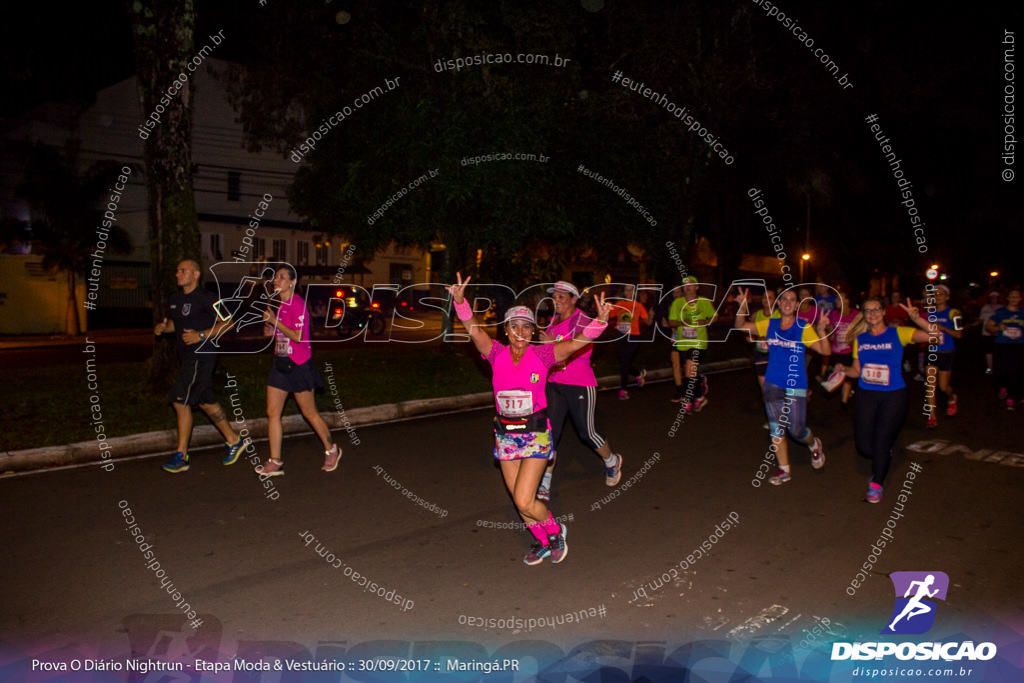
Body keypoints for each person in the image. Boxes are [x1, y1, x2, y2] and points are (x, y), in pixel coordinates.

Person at [448, 272, 613, 565]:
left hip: (535, 434)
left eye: (527, 327)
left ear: (532, 330)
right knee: (518, 502)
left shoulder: (543, 355)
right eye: (515, 327)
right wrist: (461, 303)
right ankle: (543, 540)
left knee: (526, 500)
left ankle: (555, 531)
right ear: (507, 330)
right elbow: (474, 331)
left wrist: (599, 322)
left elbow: (576, 344)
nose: (521, 332)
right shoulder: (495, 353)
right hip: (505, 435)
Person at [156, 259, 250, 473]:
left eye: (183, 270)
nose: (178, 274)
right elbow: (176, 325)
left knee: (179, 400)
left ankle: (181, 456)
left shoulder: (207, 297)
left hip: (202, 355)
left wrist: (202, 335)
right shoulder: (176, 299)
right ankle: (234, 440)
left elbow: (229, 321)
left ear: (196, 274)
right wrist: (164, 328)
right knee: (206, 402)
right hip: (187, 357)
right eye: (177, 270)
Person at [835, 297, 933, 502]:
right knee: (863, 446)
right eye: (868, 311)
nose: (872, 314)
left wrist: (917, 319)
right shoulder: (860, 339)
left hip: (893, 395)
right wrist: (843, 369)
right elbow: (856, 371)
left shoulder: (898, 333)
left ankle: (876, 484)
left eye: (876, 310)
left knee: (880, 441)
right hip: (866, 395)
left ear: (883, 312)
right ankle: (883, 455)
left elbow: (936, 336)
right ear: (864, 315)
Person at [537, 281, 623, 502]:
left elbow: (575, 345)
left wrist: (551, 342)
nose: (556, 301)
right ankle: (546, 480)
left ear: (574, 299)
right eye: (554, 297)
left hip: (579, 384)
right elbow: (549, 352)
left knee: (587, 433)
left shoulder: (581, 320)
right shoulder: (554, 321)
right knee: (550, 434)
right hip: (555, 383)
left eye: (561, 297)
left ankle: (612, 461)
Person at [735, 286, 830, 485]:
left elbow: (824, 351)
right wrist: (742, 306)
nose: (787, 302)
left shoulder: (803, 327)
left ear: (796, 305)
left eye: (791, 300)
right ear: (778, 303)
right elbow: (741, 325)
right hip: (773, 382)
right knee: (776, 427)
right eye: (783, 299)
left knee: (797, 430)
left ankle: (813, 443)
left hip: (796, 383)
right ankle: (784, 469)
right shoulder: (769, 324)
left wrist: (821, 331)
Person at [253, 265, 341, 475]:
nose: (277, 280)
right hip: (280, 365)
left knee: (309, 413)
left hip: (300, 365)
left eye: (282, 277)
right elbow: (282, 335)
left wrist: (275, 322)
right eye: (276, 277)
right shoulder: (280, 305)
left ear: (292, 282)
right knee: (272, 412)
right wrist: (271, 329)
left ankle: (331, 449)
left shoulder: (297, 304)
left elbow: (298, 336)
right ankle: (275, 461)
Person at [663, 276, 716, 411]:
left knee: (689, 370)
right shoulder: (678, 303)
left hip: (699, 342)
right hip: (683, 342)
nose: (688, 287)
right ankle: (699, 395)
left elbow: (714, 316)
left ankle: (688, 401)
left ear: (697, 287)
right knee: (690, 371)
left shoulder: (704, 302)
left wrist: (704, 322)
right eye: (685, 285)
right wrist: (683, 322)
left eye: (691, 284)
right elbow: (672, 322)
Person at [922, 284, 961, 428]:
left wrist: (942, 327)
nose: (937, 297)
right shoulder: (929, 313)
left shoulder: (954, 313)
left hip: (947, 352)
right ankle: (932, 417)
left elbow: (959, 334)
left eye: (941, 294)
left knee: (943, 387)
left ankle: (952, 397)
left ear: (947, 297)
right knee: (930, 385)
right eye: (935, 294)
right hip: (932, 351)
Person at [611, 284, 650, 400]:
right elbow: (608, 315)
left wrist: (651, 314)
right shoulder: (619, 305)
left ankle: (623, 390)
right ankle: (638, 373)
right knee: (624, 362)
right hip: (621, 335)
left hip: (633, 336)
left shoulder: (638, 306)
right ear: (624, 292)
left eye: (631, 290)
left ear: (634, 293)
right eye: (627, 290)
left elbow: (647, 321)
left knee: (625, 361)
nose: (629, 292)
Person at [986, 288, 1024, 410]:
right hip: (1002, 344)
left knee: (1015, 371)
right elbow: (989, 327)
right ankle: (1004, 386)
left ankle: (1011, 398)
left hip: (1018, 345)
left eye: (1016, 297)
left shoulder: (1023, 313)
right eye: (1012, 297)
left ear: (1020, 299)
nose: (1014, 299)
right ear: (1007, 298)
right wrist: (998, 328)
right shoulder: (1001, 312)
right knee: (1000, 371)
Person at [824, 291, 858, 409]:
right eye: (836, 299)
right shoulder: (833, 314)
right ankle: (845, 393)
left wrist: (854, 338)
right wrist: (828, 330)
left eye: (839, 299)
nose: (836, 301)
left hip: (851, 350)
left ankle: (844, 402)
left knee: (848, 376)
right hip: (837, 350)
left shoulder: (856, 314)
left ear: (847, 301)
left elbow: (862, 331)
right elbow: (831, 333)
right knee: (839, 373)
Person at [979, 290, 1003, 376]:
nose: (994, 299)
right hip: (986, 333)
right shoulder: (985, 308)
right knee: (988, 351)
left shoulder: (1001, 308)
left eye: (995, 298)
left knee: (998, 351)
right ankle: (990, 368)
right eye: (992, 297)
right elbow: (981, 319)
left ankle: (998, 367)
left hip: (998, 333)